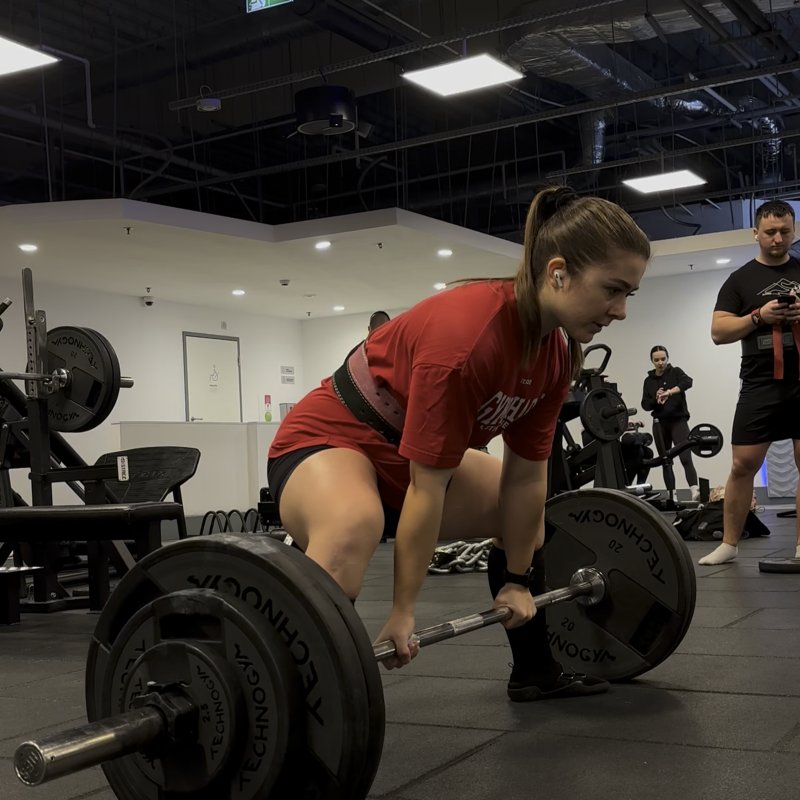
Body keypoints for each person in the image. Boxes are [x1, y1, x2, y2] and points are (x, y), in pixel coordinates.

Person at [267, 186, 650, 701]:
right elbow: (427, 488)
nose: (620, 310)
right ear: (558, 272)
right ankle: (291, 696)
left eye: (629, 294)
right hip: (331, 440)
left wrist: (517, 579)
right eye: (613, 289)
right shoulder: (468, 340)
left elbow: (525, 475)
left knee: (525, 517)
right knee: (352, 525)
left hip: (406, 455)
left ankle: (535, 669)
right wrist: (403, 612)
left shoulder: (556, 354)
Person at [699, 199, 800, 565]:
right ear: (755, 233)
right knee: (743, 464)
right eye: (770, 231)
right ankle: (729, 543)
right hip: (759, 383)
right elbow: (718, 331)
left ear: (794, 231)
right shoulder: (739, 279)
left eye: (785, 231)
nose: (777, 238)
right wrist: (759, 316)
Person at [641, 346, 699, 500]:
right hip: (659, 424)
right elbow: (645, 405)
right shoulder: (648, 381)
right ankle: (672, 496)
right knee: (666, 461)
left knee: (686, 457)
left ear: (667, 358)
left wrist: (669, 392)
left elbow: (688, 382)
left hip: (678, 421)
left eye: (663, 359)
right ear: (652, 361)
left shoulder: (676, 372)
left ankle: (695, 492)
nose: (660, 362)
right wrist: (656, 397)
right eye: (656, 360)